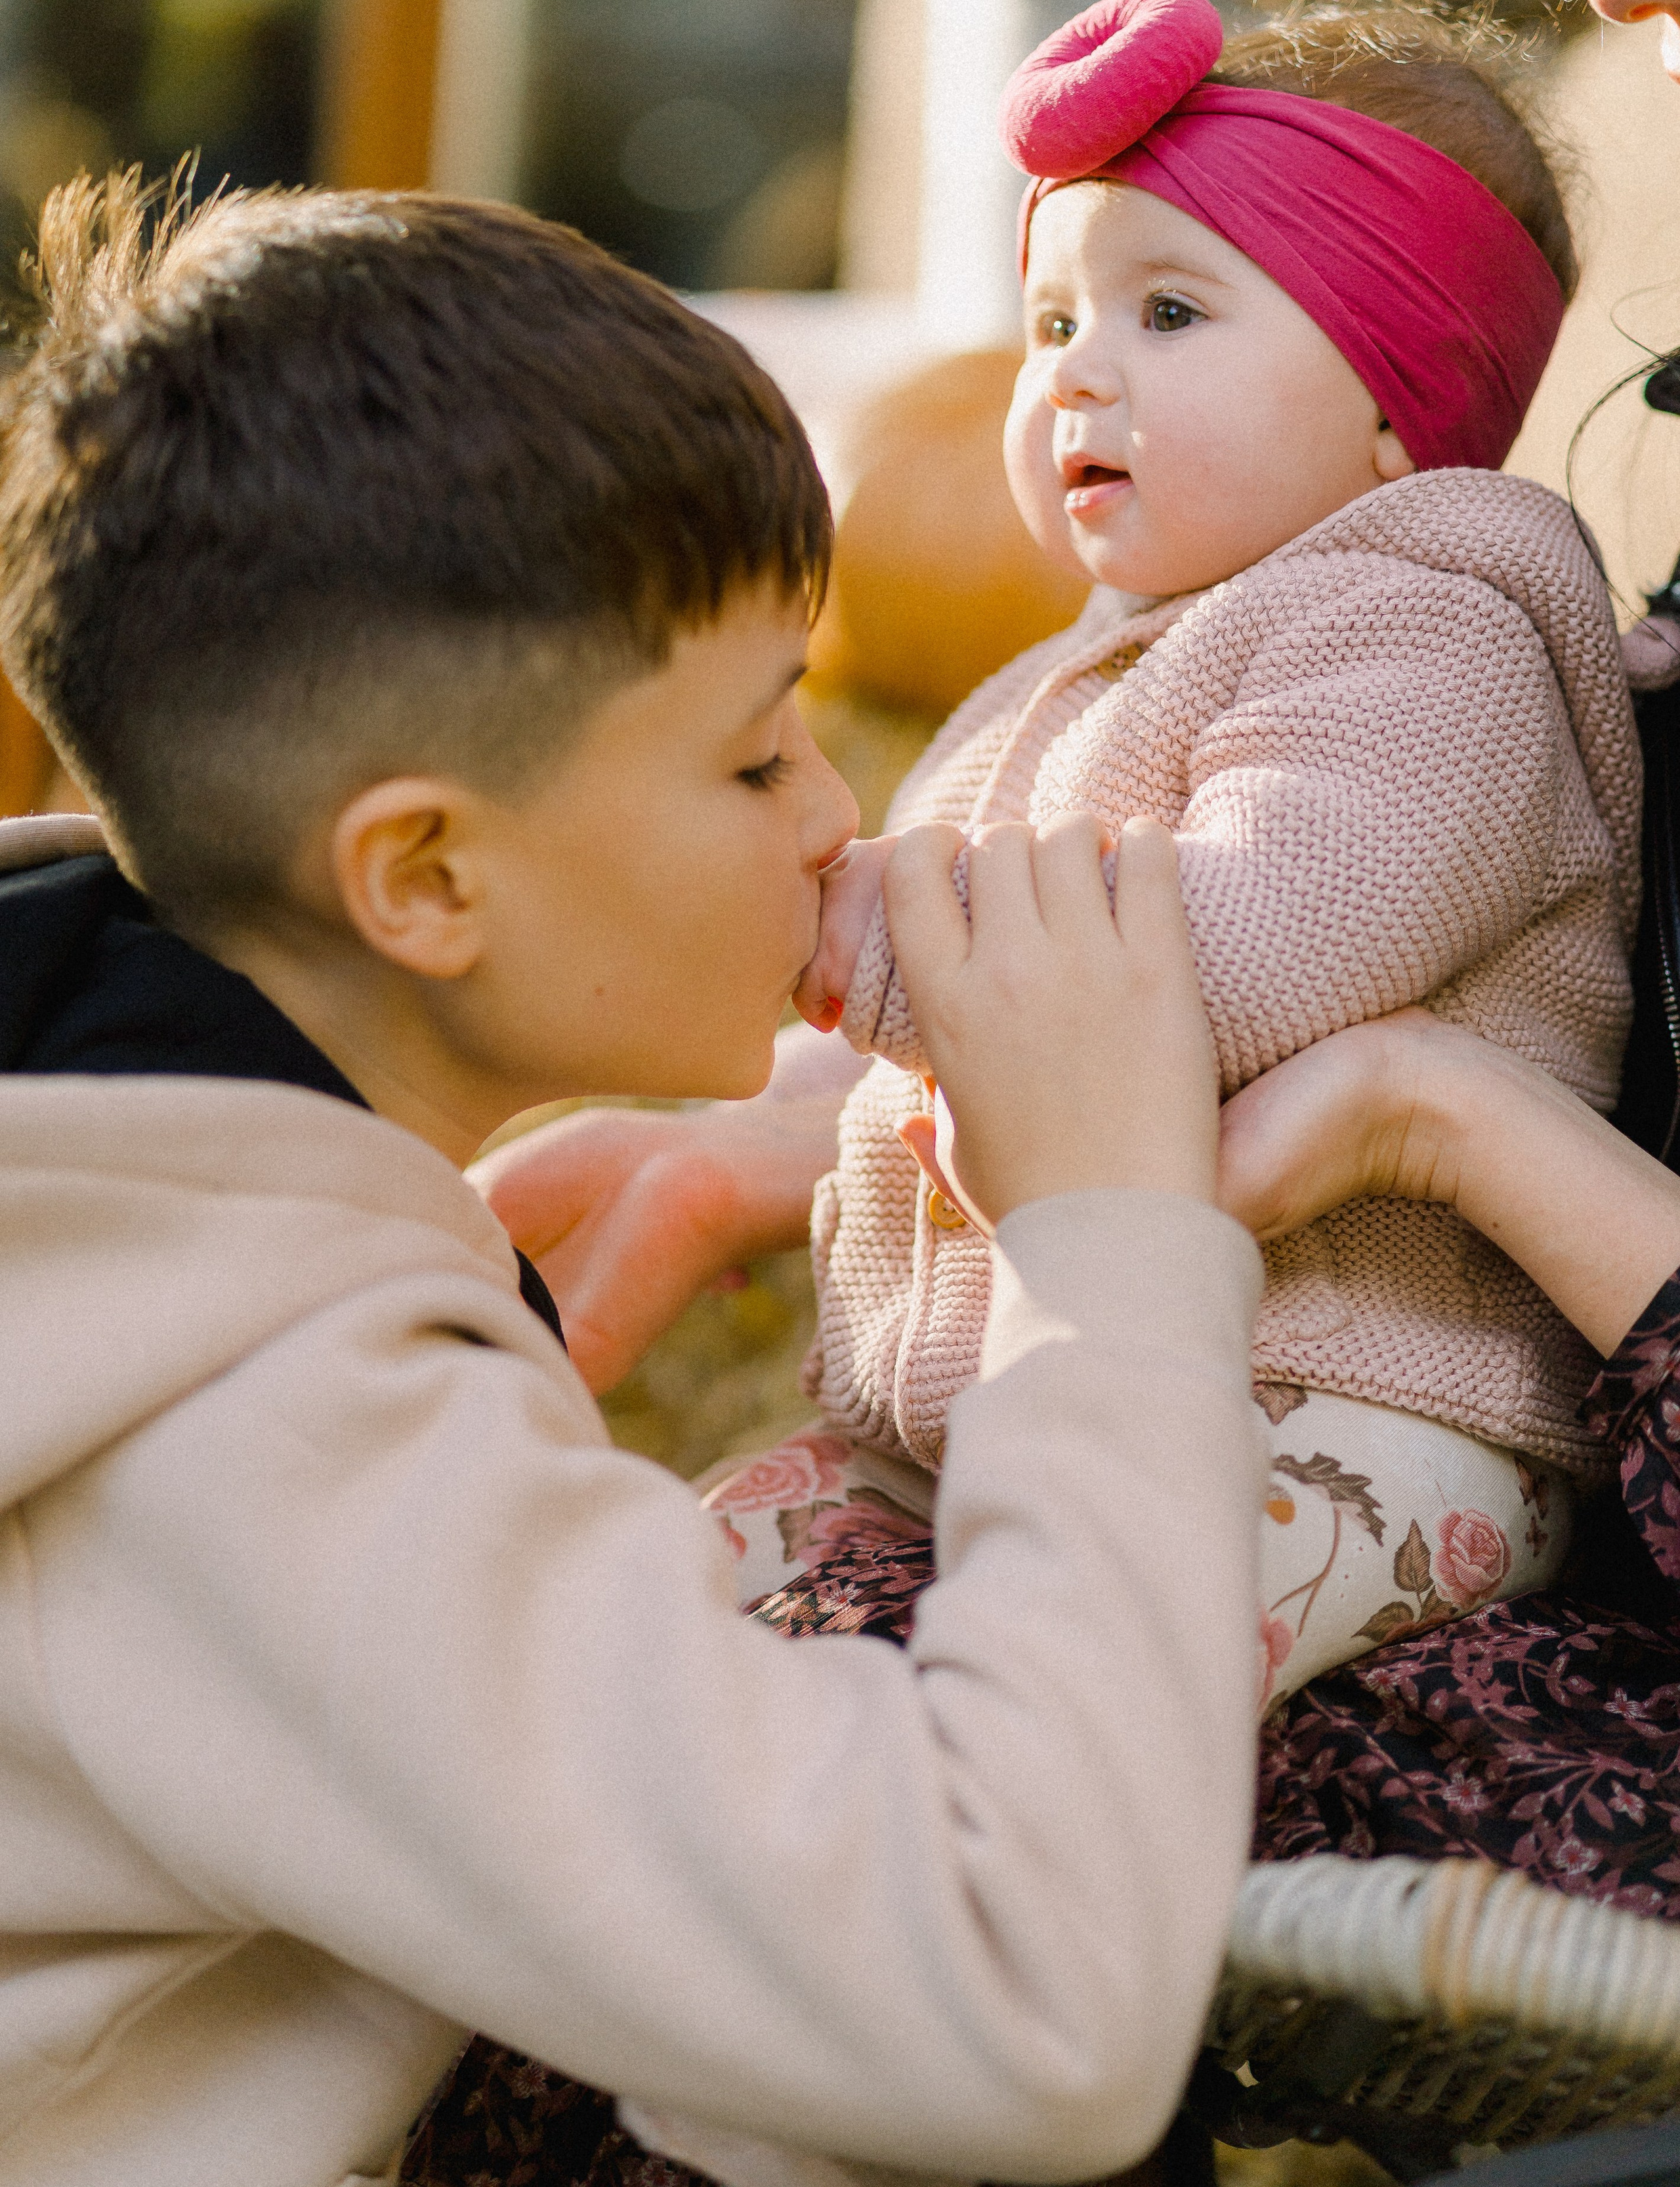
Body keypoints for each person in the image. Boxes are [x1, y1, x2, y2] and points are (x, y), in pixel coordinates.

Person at [0, 172, 1270, 2186]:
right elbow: (1027, 2001)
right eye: (759, 756)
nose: (835, 805)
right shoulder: (266, 1428)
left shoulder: (105, 1142)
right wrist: (1101, 1237)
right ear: (423, 877)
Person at [489, 0, 1637, 1708]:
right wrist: (759, 1105)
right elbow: (924, 1043)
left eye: (1170, 311)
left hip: (1349, 1420)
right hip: (1008, 1411)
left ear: (1405, 397)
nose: (1076, 371)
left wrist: (853, 929)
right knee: (627, 1624)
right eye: (1048, 320)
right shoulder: (1075, 679)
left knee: (1026, 1705)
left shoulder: (1430, 639)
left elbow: (1226, 967)